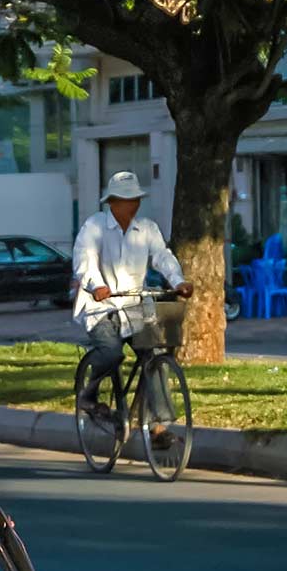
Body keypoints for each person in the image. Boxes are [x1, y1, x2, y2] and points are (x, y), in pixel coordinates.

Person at [72, 170, 192, 434]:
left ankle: (159, 426)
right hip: (101, 307)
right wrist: (97, 285)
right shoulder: (94, 226)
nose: (133, 205)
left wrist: (177, 281)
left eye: (136, 199)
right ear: (112, 201)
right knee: (111, 353)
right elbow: (84, 261)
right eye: (127, 199)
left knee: (154, 357)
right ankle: (89, 395)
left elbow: (162, 256)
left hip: (135, 306)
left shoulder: (147, 229)